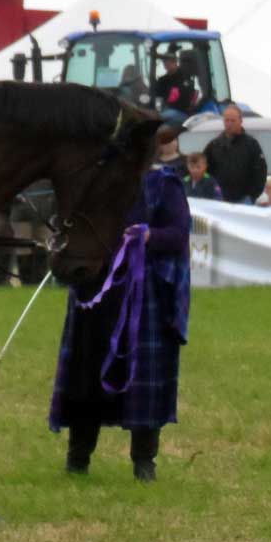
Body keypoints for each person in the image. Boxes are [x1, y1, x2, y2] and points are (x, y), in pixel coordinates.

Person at [50, 133, 191, 483]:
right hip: (94, 295)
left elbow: (179, 232)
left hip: (145, 300)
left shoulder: (164, 185)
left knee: (145, 379)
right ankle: (77, 459)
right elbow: (72, 225)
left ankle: (144, 461)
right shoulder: (92, 184)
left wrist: (147, 238)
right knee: (86, 379)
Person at [203, 103, 266, 205]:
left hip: (244, 201)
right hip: (218, 200)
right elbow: (204, 171)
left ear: (240, 121)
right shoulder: (214, 145)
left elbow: (261, 173)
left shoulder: (251, 145)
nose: (229, 123)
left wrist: (252, 196)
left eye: (233, 120)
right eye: (227, 120)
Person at [154, 51, 202, 125]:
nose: (165, 65)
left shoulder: (185, 78)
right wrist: (158, 109)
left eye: (167, 62)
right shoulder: (162, 80)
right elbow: (158, 97)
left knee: (162, 118)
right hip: (165, 110)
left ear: (175, 62)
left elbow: (188, 100)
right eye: (164, 62)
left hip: (182, 113)